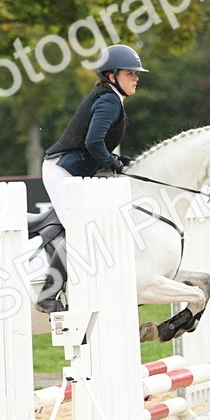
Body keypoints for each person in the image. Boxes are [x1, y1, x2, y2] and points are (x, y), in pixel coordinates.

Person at [36, 44, 148, 313]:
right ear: (112, 76)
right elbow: (94, 141)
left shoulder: (109, 98)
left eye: (136, 73)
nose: (136, 77)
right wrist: (112, 162)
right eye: (130, 73)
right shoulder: (109, 100)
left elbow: (97, 144)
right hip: (62, 170)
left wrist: (118, 161)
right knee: (79, 229)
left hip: (75, 171)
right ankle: (48, 294)